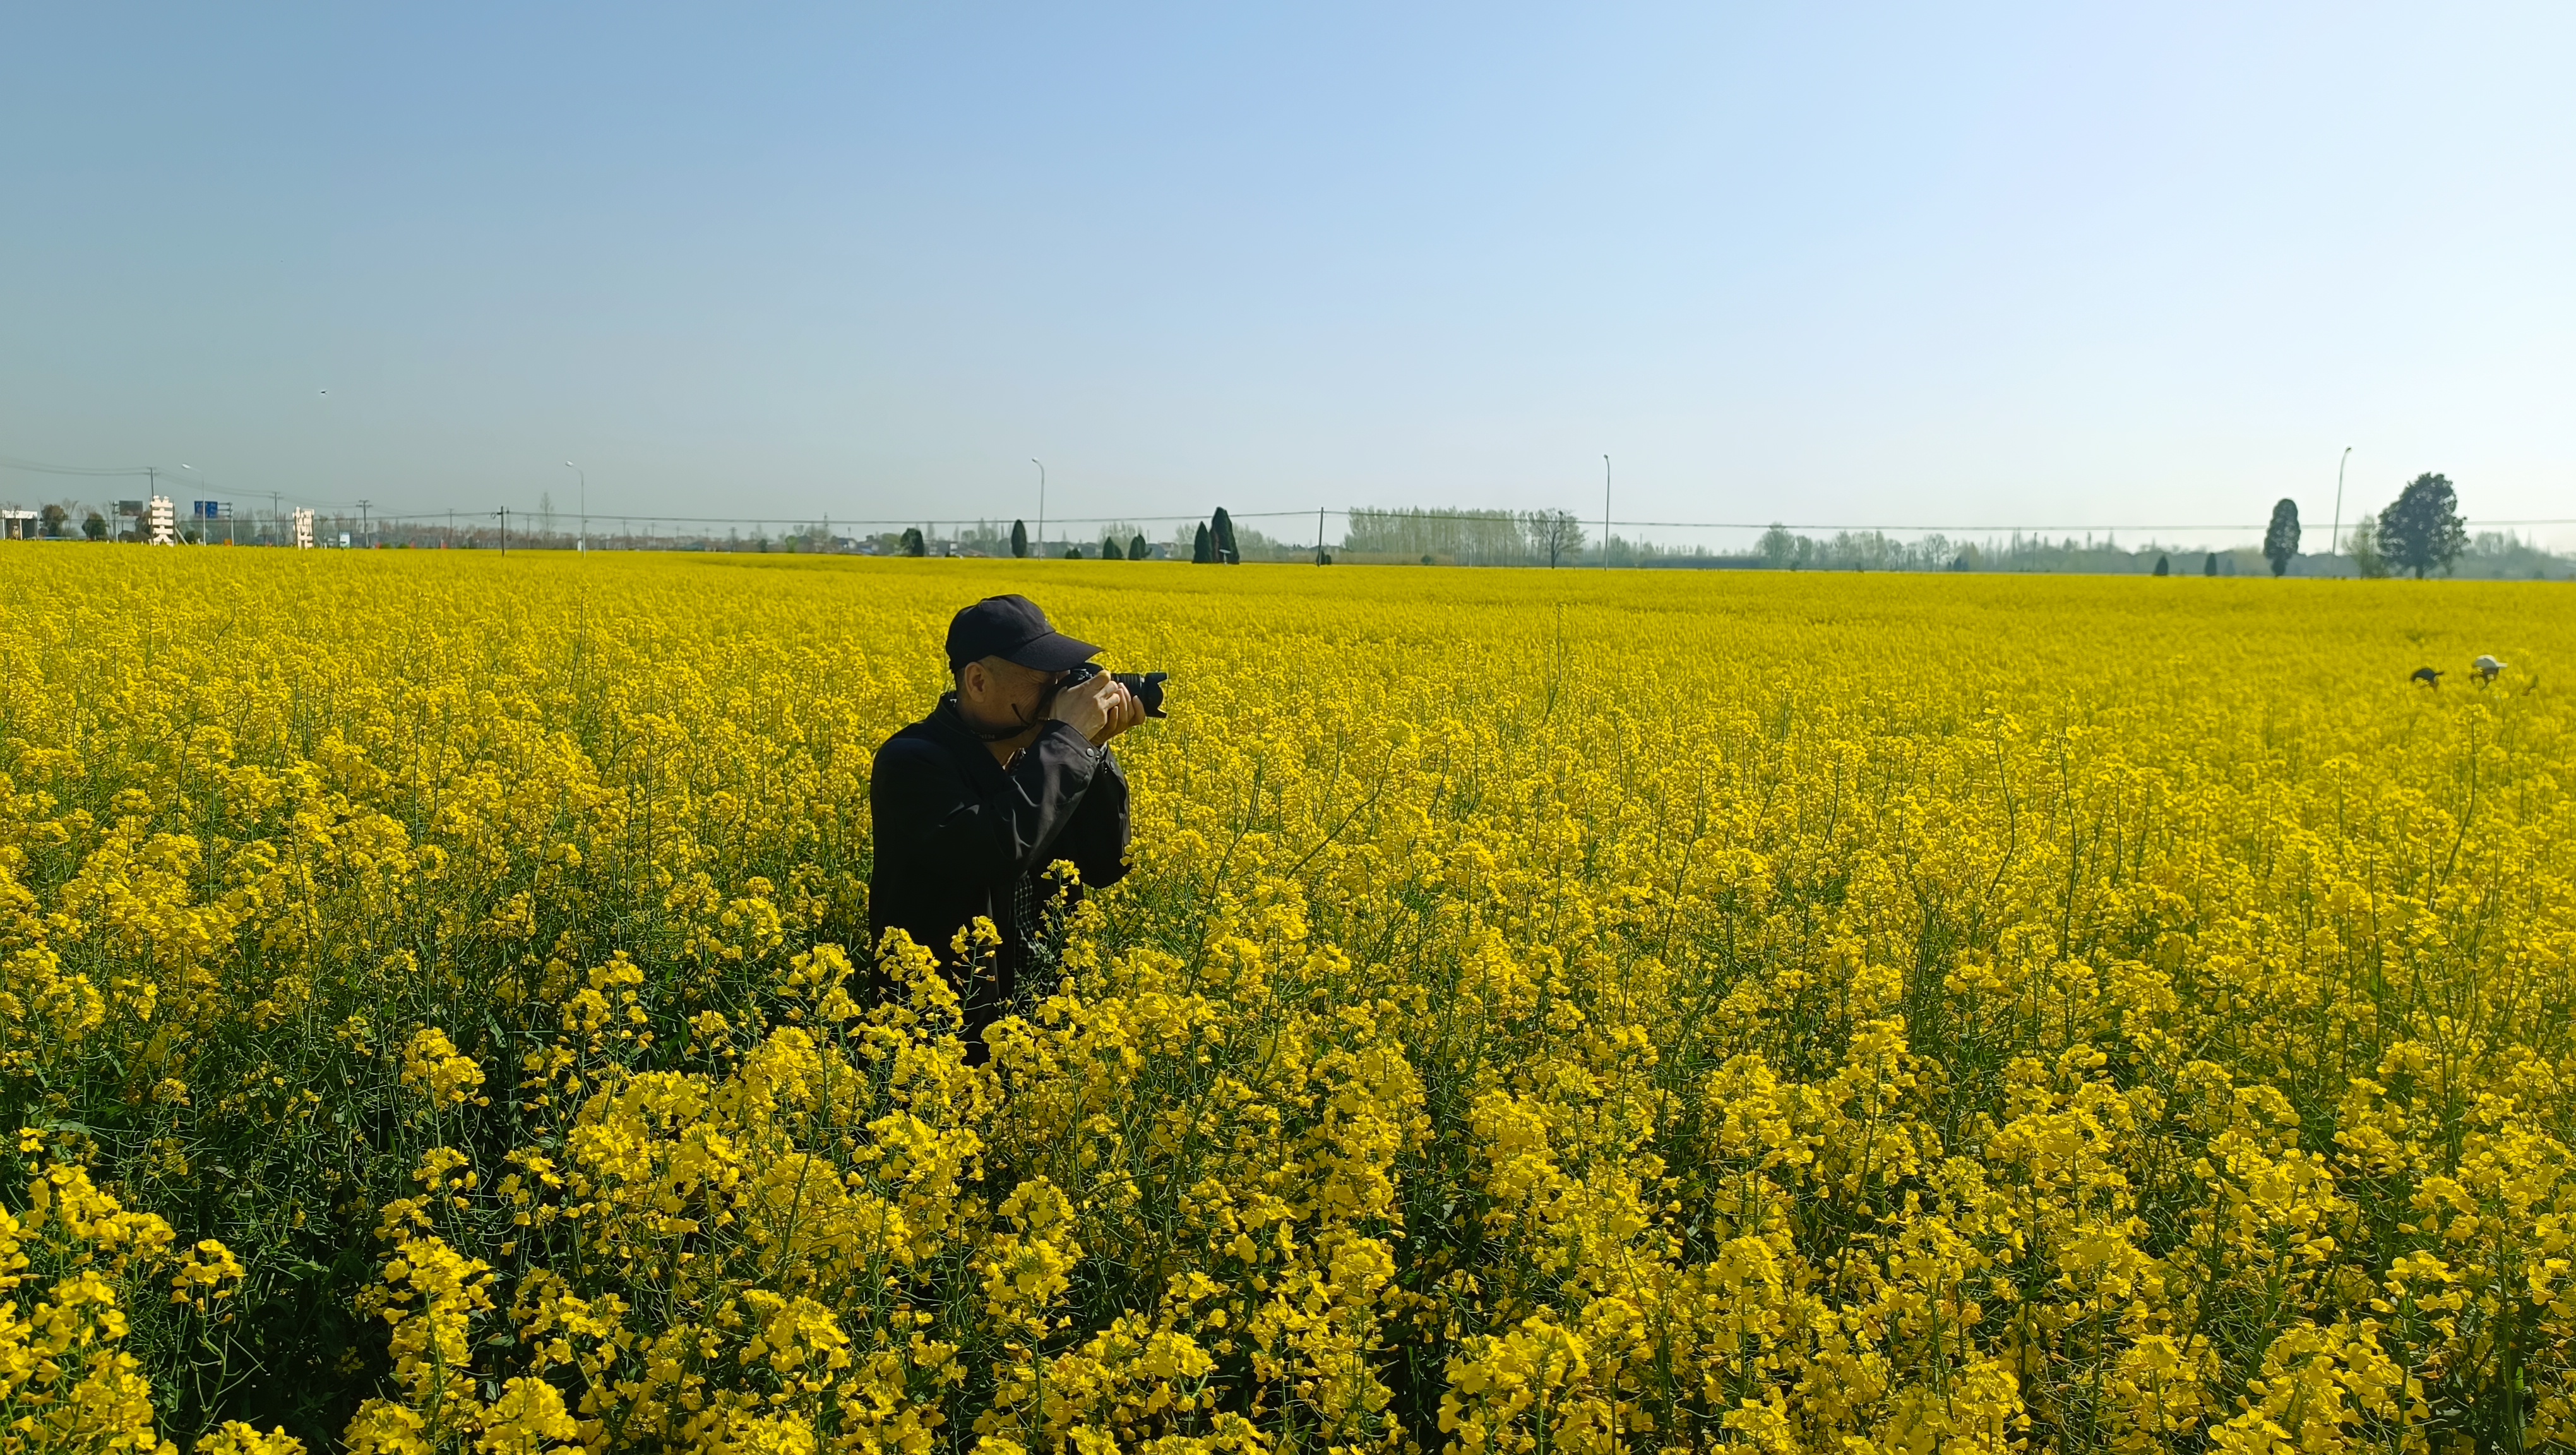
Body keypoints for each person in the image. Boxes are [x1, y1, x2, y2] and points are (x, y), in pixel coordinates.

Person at [868, 594, 1147, 1052]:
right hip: (942, 1033)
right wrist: (1068, 744)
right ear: (977, 681)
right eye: (1045, 681)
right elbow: (997, 849)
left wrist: (1093, 751)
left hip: (1043, 1022)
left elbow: (1105, 865)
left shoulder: (1049, 758)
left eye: (1065, 679)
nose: (1061, 694)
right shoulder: (912, 761)